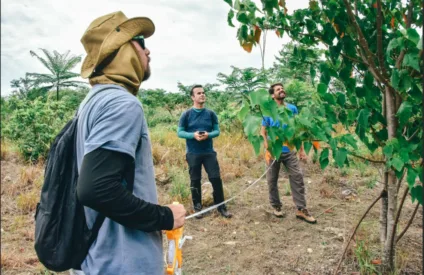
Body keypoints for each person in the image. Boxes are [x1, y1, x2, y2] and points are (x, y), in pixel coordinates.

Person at [72, 11, 186, 275]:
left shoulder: (91, 102)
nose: (148, 52)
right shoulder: (121, 104)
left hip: (96, 257)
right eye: (141, 43)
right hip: (122, 263)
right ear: (122, 50)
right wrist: (166, 217)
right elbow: (95, 188)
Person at [261, 83, 316, 224]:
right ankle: (276, 206)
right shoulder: (268, 110)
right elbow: (264, 131)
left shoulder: (292, 109)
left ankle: (301, 209)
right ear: (273, 95)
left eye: (282, 88)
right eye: (278, 89)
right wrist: (268, 148)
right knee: (272, 180)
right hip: (274, 151)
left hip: (290, 150)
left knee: (297, 177)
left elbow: (297, 131)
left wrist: (302, 150)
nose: (281, 90)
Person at [177, 85, 232, 219]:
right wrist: (193, 135)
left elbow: (217, 131)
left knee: (215, 178)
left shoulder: (211, 114)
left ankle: (221, 206)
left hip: (209, 152)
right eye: (199, 93)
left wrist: (208, 135)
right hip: (193, 153)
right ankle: (197, 207)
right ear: (192, 97)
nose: (202, 95)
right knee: (195, 180)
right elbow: (180, 132)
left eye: (203, 93)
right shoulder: (186, 114)